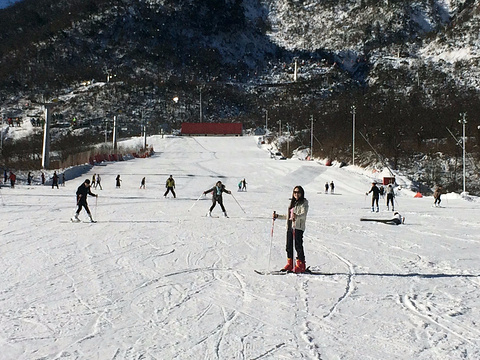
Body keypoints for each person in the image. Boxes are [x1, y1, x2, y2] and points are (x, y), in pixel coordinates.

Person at [274, 186, 309, 273]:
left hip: (298, 227)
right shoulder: (292, 203)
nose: (296, 194)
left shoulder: (304, 202)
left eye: (298, 192)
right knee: (288, 246)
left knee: (298, 245)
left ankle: (301, 264)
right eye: (295, 192)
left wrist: (296, 216)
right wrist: (278, 216)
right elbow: (288, 216)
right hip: (290, 226)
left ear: (301, 193)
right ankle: (290, 264)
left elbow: (303, 214)